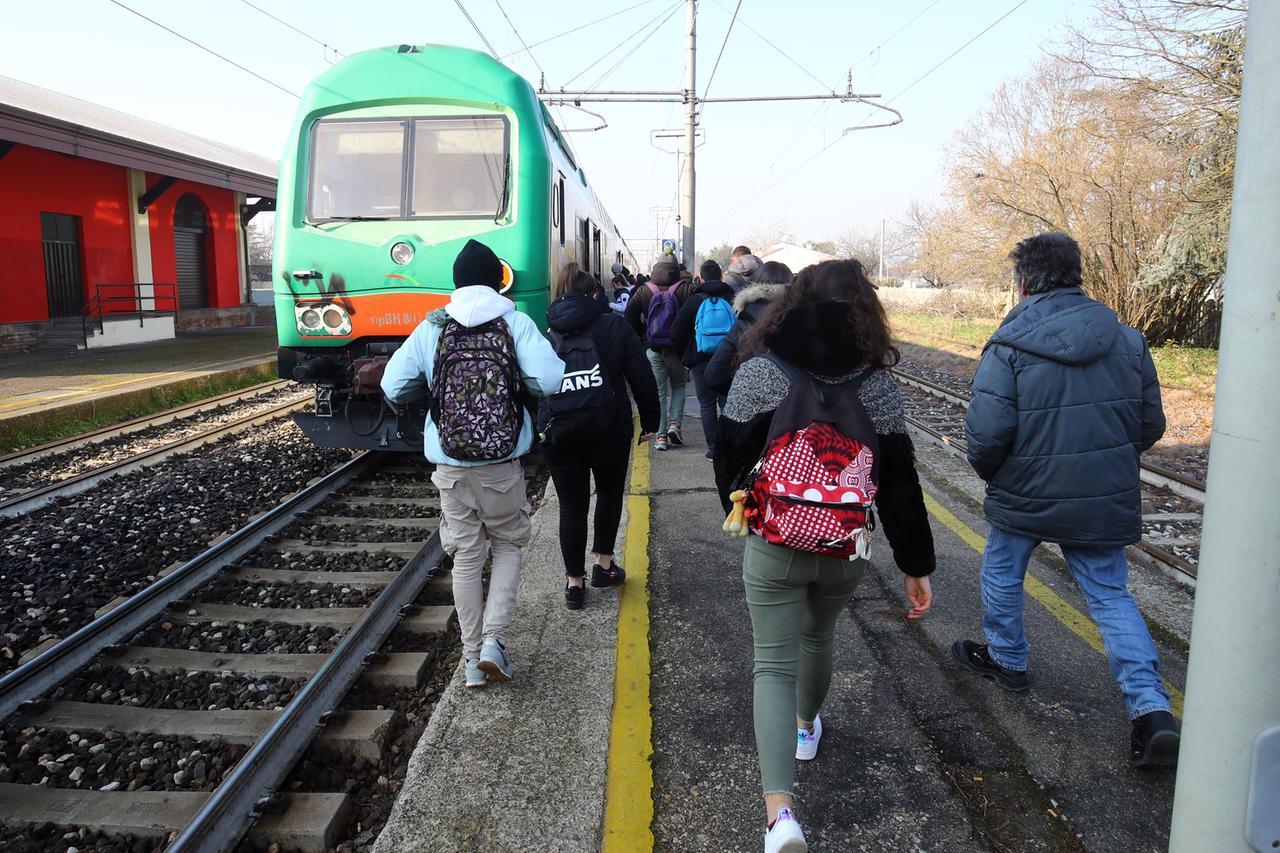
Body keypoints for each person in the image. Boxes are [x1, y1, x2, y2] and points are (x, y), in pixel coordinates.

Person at [717, 259, 936, 852]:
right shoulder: (877, 385)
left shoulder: (761, 371)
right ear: (865, 311)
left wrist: (746, 513)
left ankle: (780, 816)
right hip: (845, 547)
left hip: (775, 542)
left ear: (791, 303)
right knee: (818, 637)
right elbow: (899, 485)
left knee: (772, 665)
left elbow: (729, 455)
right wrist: (915, 565)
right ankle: (806, 728)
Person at [953, 232, 1177, 768]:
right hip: (1101, 496)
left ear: (1023, 283)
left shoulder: (1008, 345)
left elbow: (987, 435)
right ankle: (1151, 711)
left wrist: (999, 477)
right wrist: (1102, 464)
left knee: (1002, 572)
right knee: (1110, 596)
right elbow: (1149, 424)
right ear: (1077, 276)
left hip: (1024, 492)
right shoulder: (1128, 340)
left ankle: (1007, 659)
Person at [381, 239, 565, 689]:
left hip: (450, 463)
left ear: (457, 283)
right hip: (501, 463)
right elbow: (549, 379)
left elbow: (393, 384)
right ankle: (493, 643)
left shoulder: (433, 326)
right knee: (507, 545)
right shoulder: (514, 322)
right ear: (498, 281)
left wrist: (430, 392)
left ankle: (469, 660)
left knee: (465, 555)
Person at [538, 263, 660, 609]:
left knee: (571, 505)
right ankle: (604, 566)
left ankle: (574, 585)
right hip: (609, 428)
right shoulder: (614, 326)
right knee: (608, 493)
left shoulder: (546, 334)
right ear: (593, 295)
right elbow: (642, 377)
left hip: (561, 432)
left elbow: (533, 385)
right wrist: (651, 421)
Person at [625, 258, 695, 451]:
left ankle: (661, 437)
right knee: (679, 386)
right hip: (677, 349)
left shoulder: (644, 290)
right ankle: (675, 424)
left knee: (659, 392)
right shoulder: (686, 289)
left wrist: (644, 334)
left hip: (653, 348)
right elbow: (695, 316)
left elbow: (629, 316)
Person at [669, 259, 736, 460]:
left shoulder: (695, 300)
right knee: (727, 403)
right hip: (727, 358)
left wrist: (686, 356)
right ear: (721, 277)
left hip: (700, 359)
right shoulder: (732, 297)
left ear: (702, 278)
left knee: (706, 405)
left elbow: (676, 331)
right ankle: (729, 447)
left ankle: (713, 449)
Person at [705, 260, 793, 400]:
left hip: (752, 407)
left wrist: (741, 393)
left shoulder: (743, 322)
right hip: (793, 407)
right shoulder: (801, 322)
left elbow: (713, 375)